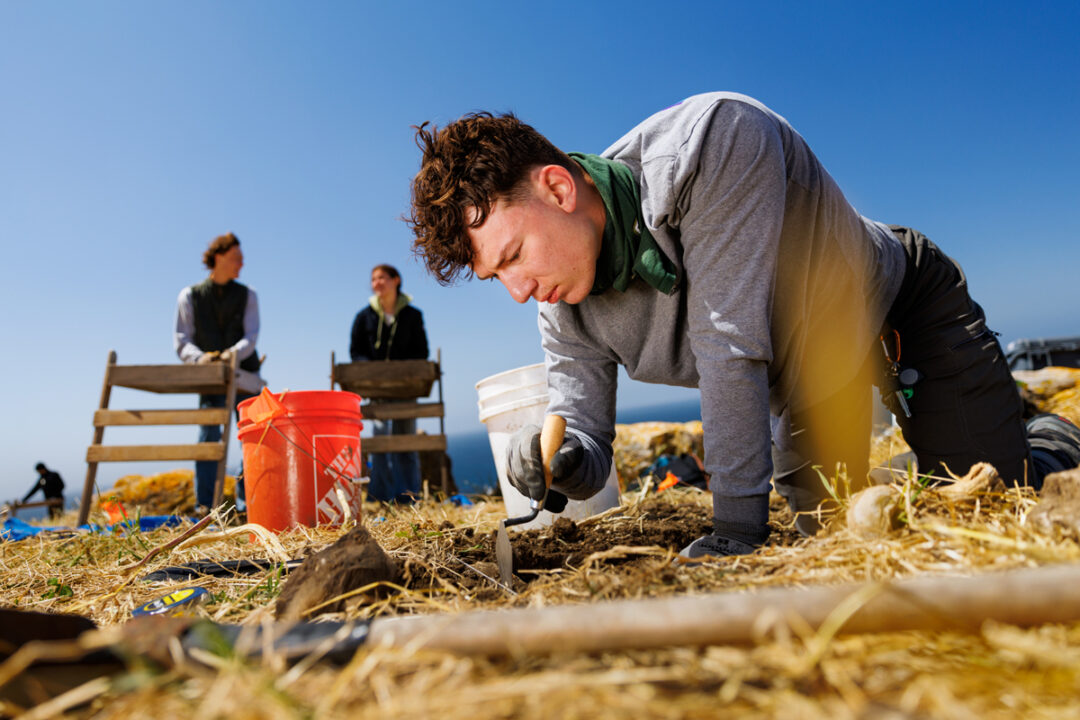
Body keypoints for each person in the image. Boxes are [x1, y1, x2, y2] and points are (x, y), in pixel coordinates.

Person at [407, 92, 1080, 559]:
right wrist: (561, 462)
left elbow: (729, 349)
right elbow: (587, 436)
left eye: (515, 256)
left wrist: (735, 533)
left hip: (893, 299)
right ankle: (932, 448)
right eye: (499, 278)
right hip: (811, 379)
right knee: (830, 526)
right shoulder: (562, 301)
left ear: (558, 189)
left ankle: (1049, 435)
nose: (521, 293)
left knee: (1001, 494)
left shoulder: (712, 143)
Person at [174, 232, 261, 511]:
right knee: (208, 436)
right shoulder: (189, 296)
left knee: (252, 435)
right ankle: (206, 507)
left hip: (245, 376)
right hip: (210, 379)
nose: (241, 264)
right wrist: (203, 359)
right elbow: (182, 340)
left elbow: (251, 336)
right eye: (236, 258)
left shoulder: (248, 295)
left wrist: (230, 355)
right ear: (219, 257)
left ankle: (248, 502)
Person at [350, 264, 430, 502]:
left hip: (406, 389)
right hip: (377, 392)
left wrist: (402, 372)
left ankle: (408, 498)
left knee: (405, 444)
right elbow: (356, 352)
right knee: (381, 446)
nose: (376, 283)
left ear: (396, 280)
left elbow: (421, 351)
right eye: (373, 279)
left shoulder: (413, 315)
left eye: (382, 277)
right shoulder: (363, 317)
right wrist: (375, 373)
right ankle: (381, 498)